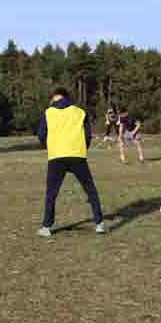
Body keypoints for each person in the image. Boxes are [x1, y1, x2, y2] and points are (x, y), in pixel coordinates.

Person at [37, 88, 105, 237]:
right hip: (77, 155)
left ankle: (46, 227)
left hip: (56, 156)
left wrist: (50, 147)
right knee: (90, 190)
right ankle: (100, 223)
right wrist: (82, 150)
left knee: (51, 193)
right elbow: (88, 136)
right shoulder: (80, 112)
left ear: (54, 97)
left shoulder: (48, 112)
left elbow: (41, 135)